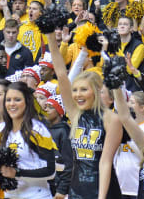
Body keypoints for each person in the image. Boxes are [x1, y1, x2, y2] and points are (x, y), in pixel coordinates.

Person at [47, 35, 122, 199]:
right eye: (75, 90)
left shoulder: (111, 119)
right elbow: (61, 74)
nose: (77, 95)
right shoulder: (75, 114)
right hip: (76, 190)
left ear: (96, 91)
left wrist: (101, 197)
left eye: (83, 90)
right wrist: (50, 36)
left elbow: (105, 162)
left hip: (103, 189)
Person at [0, 82, 56, 199]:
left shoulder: (37, 130)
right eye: (8, 100)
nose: (12, 104)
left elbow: (51, 171)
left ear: (27, 101)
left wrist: (18, 173)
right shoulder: (2, 132)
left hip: (36, 195)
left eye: (17, 100)